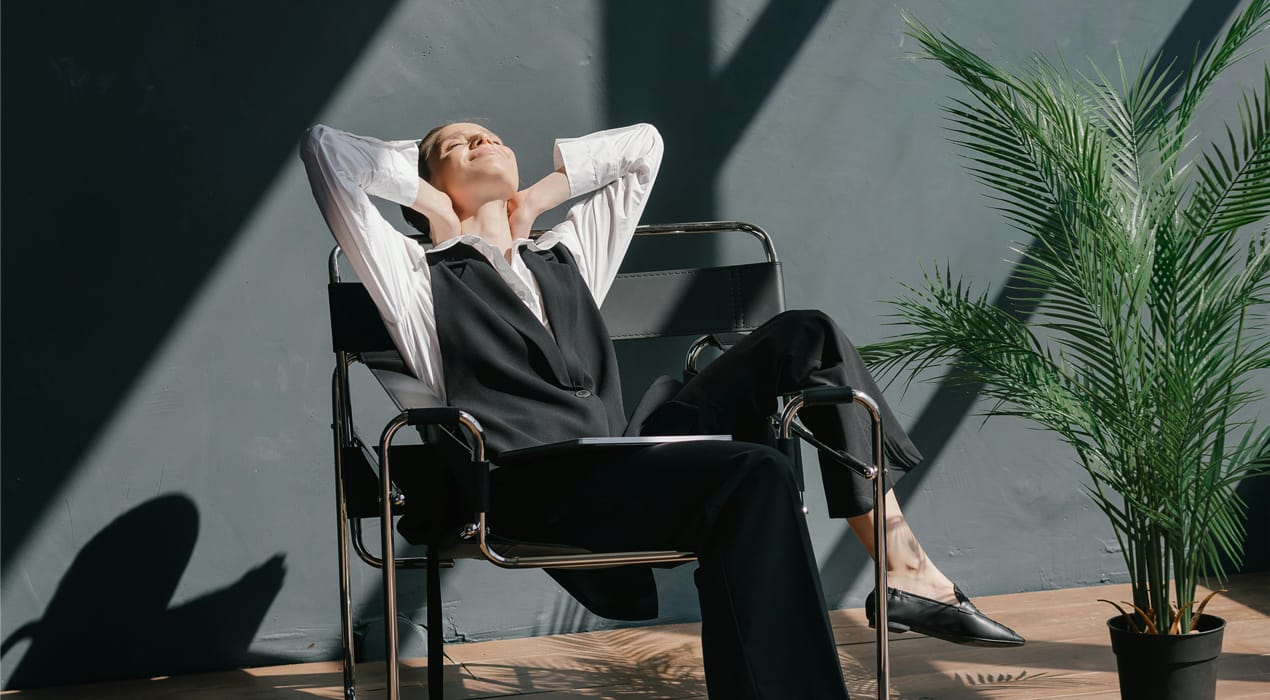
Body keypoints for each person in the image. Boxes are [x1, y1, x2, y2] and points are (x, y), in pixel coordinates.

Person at [301, 121, 1023, 699]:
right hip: (528, 480)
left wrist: (537, 199)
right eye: (455, 145)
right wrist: (436, 214)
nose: (482, 141)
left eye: (490, 134)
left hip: (622, 460)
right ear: (428, 183)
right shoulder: (413, 277)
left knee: (809, 334)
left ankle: (905, 568)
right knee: (755, 474)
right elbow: (326, 151)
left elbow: (643, 148)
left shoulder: (565, 256)